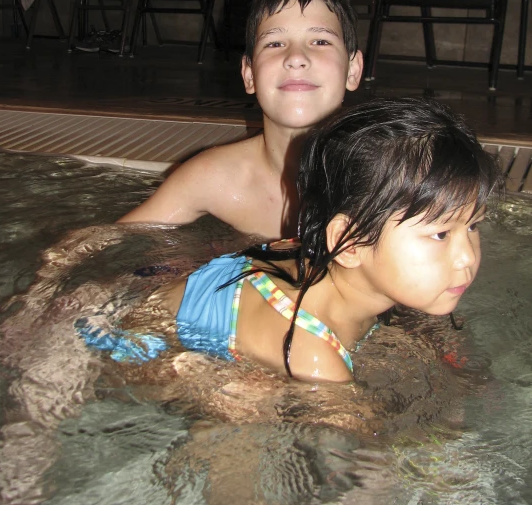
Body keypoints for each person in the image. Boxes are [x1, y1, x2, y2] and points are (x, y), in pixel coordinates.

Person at [79, 98, 502, 384]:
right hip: (117, 341)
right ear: (349, 244)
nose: (467, 257)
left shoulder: (307, 250)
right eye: (440, 233)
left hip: (161, 297)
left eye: (474, 226)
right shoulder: (317, 359)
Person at [117, 0, 363, 239]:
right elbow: (102, 242)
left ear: (353, 70)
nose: (296, 58)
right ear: (249, 74)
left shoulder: (384, 178)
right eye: (275, 43)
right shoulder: (213, 176)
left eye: (320, 41)